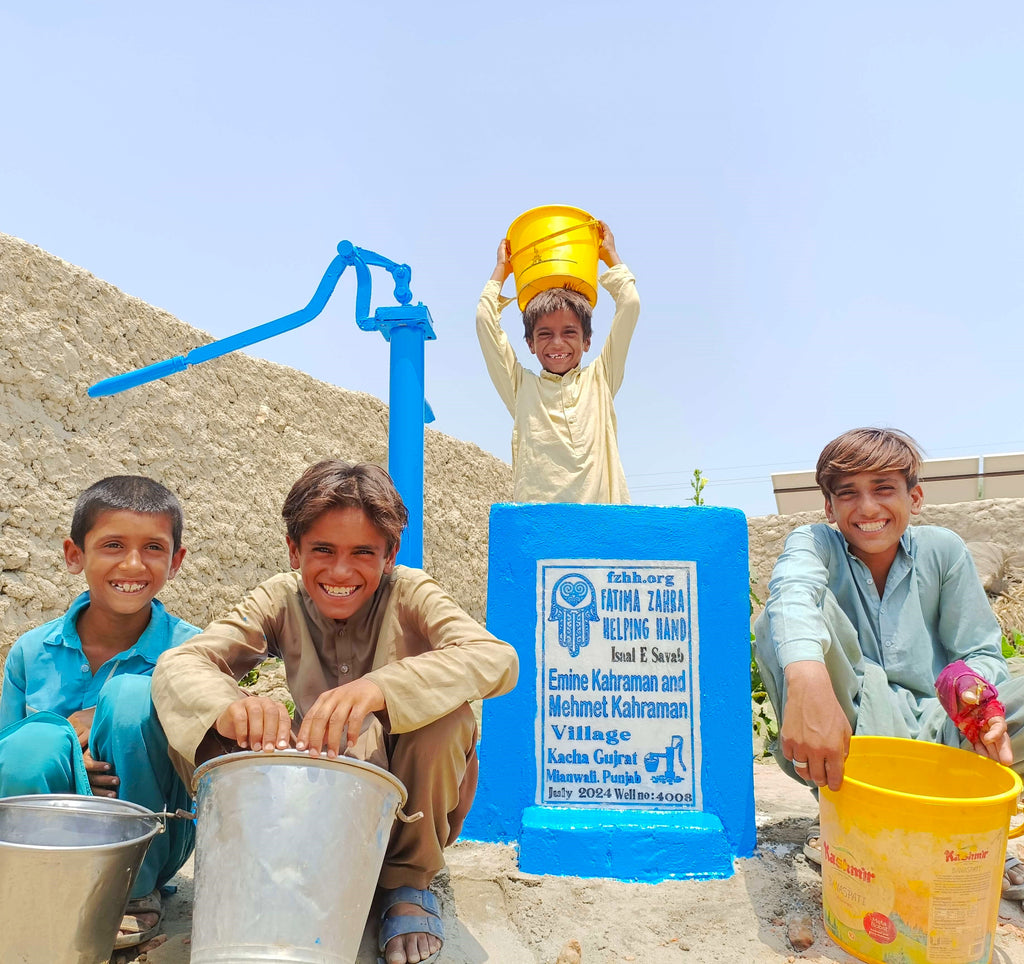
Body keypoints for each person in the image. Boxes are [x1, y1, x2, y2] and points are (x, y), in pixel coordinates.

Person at [151, 460, 519, 964]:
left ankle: (406, 884)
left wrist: (380, 688)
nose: (341, 572)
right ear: (294, 549)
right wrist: (231, 708)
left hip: (408, 801)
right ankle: (260, 868)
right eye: (322, 550)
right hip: (324, 792)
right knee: (200, 716)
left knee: (449, 717)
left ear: (389, 555)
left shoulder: (411, 592)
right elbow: (183, 662)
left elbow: (496, 658)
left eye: (362, 553)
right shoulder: (280, 597)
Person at [753, 427, 1024, 901]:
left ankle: (971, 824)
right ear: (829, 509)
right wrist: (809, 678)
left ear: (914, 497)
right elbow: (792, 595)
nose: (868, 509)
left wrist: (969, 686)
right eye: (848, 494)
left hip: (947, 735)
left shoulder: (943, 551)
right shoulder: (814, 545)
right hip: (856, 747)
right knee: (774, 626)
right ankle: (849, 824)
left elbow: (980, 650)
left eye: (883, 489)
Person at [0, 475, 199, 949]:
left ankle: (132, 895)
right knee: (34, 743)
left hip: (150, 834)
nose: (132, 563)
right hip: (48, 834)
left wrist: (111, 713)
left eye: (153, 547)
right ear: (75, 555)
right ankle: (32, 884)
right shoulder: (32, 651)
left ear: (176, 562)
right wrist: (63, 745)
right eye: (112, 545)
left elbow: (204, 766)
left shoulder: (192, 650)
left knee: (132, 697)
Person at [476, 221, 640, 503]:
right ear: (530, 343)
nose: (557, 343)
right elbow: (484, 320)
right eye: (545, 334)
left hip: (600, 532)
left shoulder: (601, 378)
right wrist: (501, 271)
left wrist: (609, 255)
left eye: (569, 332)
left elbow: (630, 304)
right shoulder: (522, 389)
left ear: (587, 341)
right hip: (541, 535)